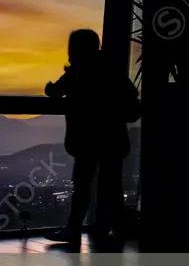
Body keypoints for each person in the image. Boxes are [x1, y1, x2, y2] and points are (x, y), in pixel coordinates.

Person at [44, 29, 139, 244]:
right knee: (112, 185)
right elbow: (131, 95)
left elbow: (55, 91)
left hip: (87, 139)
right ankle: (116, 227)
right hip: (113, 137)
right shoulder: (111, 69)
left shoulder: (78, 70)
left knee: (82, 183)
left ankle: (74, 228)